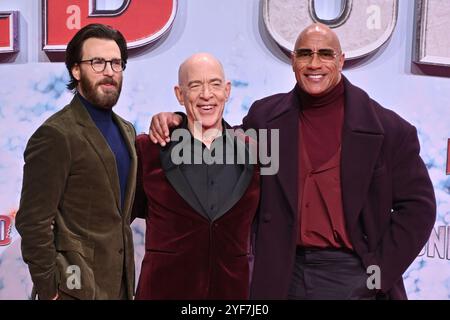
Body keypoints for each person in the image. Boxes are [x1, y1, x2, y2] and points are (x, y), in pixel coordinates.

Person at [149, 24, 436, 299]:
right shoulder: (265, 117)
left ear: (341, 61)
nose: (314, 63)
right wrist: (180, 121)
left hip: (352, 274)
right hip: (282, 276)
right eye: (304, 54)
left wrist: (375, 277)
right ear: (292, 60)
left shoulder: (388, 129)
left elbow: (419, 209)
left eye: (325, 54)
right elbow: (220, 140)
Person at [15, 24, 136, 300]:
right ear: (76, 70)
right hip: (74, 288)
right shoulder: (56, 134)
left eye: (116, 63)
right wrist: (50, 291)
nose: (109, 71)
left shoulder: (126, 131)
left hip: (120, 286)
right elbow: (33, 222)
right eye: (97, 62)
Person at [132, 53, 260, 299]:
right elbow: (124, 213)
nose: (206, 94)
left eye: (214, 84)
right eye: (194, 86)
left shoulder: (253, 152)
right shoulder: (148, 150)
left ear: (227, 90)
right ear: (180, 94)